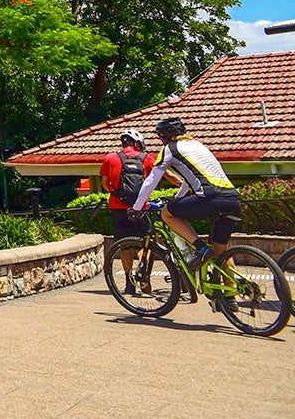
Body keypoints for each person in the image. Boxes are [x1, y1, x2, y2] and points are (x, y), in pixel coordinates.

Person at [132, 116, 242, 273]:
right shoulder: (198, 145)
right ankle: (232, 293)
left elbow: (152, 180)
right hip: (232, 198)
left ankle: (200, 248)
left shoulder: (170, 149)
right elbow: (190, 179)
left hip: (209, 197)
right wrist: (178, 198)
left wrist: (136, 207)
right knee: (220, 249)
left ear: (164, 137)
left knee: (167, 214)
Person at [100, 127, 155, 295]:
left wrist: (117, 194)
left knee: (124, 245)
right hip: (140, 208)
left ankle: (129, 282)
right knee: (145, 244)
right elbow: (154, 180)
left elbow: (104, 183)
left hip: (118, 208)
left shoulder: (110, 158)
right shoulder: (147, 159)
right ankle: (144, 275)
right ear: (137, 143)